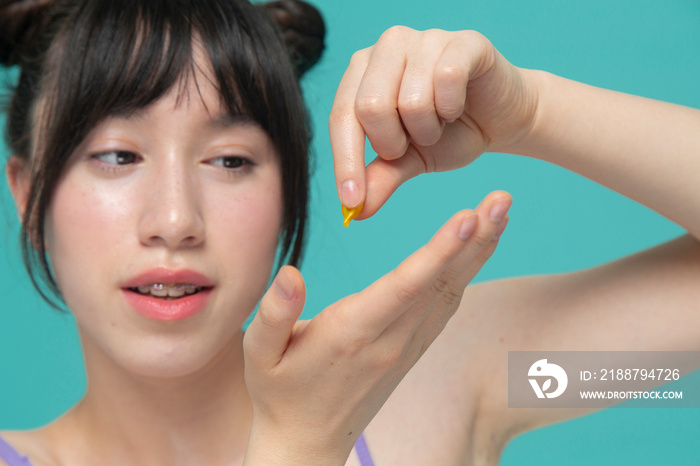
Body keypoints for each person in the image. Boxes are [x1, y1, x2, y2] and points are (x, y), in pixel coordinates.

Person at [1, 3, 699, 466]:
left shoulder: (438, 381)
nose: (176, 222)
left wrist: (536, 112)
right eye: (118, 156)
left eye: (230, 161)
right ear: (28, 192)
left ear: (289, 190)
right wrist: (298, 445)